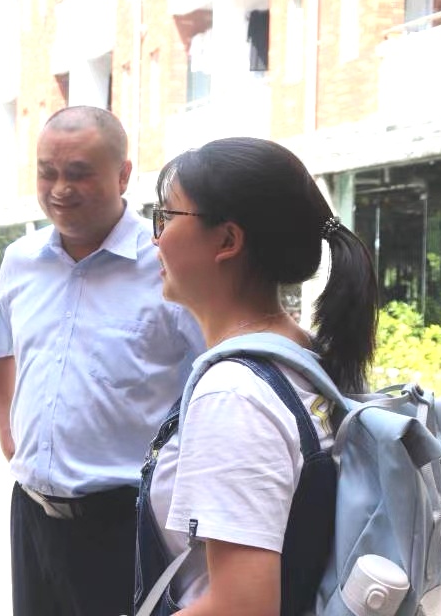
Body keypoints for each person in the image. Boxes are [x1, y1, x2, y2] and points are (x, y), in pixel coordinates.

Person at [0, 106, 204, 616]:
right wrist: (10, 439)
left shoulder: (166, 264)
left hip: (126, 524)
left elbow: (212, 381)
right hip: (31, 516)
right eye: (47, 172)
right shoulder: (20, 260)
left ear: (123, 175)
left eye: (79, 173)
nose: (60, 189)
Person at [139, 137, 378, 614]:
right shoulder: (305, 356)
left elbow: (242, 606)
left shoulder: (234, 394)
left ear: (227, 241)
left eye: (166, 217)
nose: (155, 239)